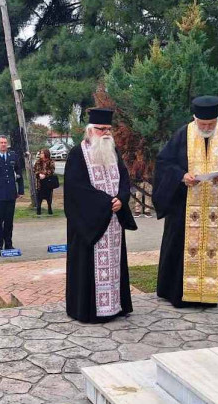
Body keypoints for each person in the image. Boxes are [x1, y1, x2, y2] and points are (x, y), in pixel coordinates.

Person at [153, 96, 218, 308]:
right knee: (179, 248)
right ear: (194, 118)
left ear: (217, 119)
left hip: (212, 209)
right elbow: (163, 164)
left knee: (210, 249)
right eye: (202, 124)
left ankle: (207, 293)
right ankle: (176, 293)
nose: (206, 127)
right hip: (183, 208)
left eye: (211, 124)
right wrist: (181, 176)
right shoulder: (182, 134)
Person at [64, 109, 138, 323]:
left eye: (108, 129)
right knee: (88, 267)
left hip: (113, 222)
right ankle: (88, 310)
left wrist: (121, 198)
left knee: (115, 264)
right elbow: (76, 189)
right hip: (89, 223)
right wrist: (107, 203)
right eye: (101, 129)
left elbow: (124, 179)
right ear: (90, 130)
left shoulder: (114, 151)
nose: (105, 133)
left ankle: (114, 306)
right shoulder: (78, 154)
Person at [0, 135, 24, 255]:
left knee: (9, 221)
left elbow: (19, 173)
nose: (3, 145)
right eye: (1, 143)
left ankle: (8, 243)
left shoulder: (13, 156)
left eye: (5, 143)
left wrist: (20, 190)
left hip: (10, 194)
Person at [34, 148, 56, 215]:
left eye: (42, 153)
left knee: (49, 197)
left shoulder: (51, 161)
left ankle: (49, 209)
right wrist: (38, 174)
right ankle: (38, 211)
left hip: (48, 182)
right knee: (39, 197)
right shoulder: (38, 161)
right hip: (39, 183)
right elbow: (34, 169)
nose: (41, 154)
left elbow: (52, 170)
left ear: (46, 154)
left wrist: (45, 174)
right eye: (40, 153)